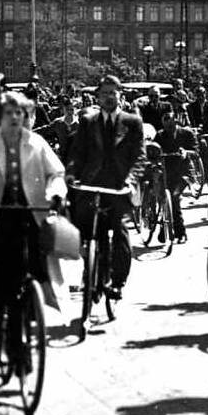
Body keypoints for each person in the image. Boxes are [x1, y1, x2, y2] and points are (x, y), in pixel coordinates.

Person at [0, 90, 66, 367]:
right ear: (0, 116)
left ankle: (19, 337)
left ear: (25, 116)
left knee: (29, 277)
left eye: (18, 113)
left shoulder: (37, 143)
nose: (13, 118)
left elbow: (56, 173)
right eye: (8, 113)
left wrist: (55, 193)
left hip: (31, 215)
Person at [66, 75, 145, 301]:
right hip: (92, 185)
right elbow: (77, 153)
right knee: (89, 229)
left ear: (120, 95)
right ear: (97, 97)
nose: (109, 97)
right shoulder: (88, 122)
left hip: (119, 187)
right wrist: (71, 173)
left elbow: (140, 157)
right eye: (104, 93)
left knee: (119, 230)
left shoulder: (132, 122)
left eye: (113, 92)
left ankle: (117, 282)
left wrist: (131, 180)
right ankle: (92, 271)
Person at [154, 109, 198, 244]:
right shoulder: (160, 136)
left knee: (174, 197)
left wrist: (186, 152)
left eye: (171, 126)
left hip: (184, 173)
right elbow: (154, 151)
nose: (169, 129)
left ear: (176, 122)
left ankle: (181, 232)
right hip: (167, 173)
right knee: (162, 198)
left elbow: (196, 152)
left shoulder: (186, 133)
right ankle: (164, 226)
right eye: (166, 127)